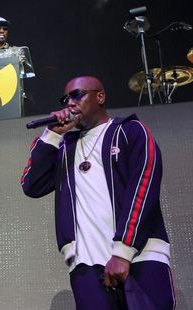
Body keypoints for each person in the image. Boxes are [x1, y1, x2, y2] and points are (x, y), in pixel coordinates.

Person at [21, 76, 175, 309]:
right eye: (66, 98)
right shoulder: (64, 147)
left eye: (77, 95)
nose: (70, 103)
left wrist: (123, 252)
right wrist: (52, 134)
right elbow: (32, 185)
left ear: (100, 97)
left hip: (140, 255)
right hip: (87, 265)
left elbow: (144, 187)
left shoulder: (131, 131)